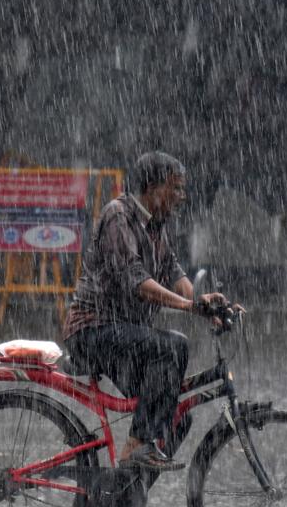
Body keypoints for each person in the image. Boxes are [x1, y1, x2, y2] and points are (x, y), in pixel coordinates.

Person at [62, 151, 233, 474]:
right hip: (93, 330)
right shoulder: (119, 216)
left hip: (125, 334)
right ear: (152, 188)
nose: (181, 197)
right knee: (173, 345)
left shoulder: (156, 224)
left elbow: (172, 270)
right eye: (175, 188)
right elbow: (136, 281)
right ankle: (136, 446)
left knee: (176, 418)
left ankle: (122, 499)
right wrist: (188, 306)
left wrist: (203, 303)